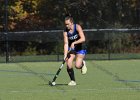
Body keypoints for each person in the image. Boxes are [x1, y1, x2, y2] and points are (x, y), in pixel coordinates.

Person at [63, 16, 87, 86]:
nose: (66, 26)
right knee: (68, 62)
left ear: (72, 23)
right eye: (65, 24)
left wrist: (74, 43)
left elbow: (83, 39)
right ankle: (73, 81)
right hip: (72, 48)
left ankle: (82, 64)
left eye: (68, 24)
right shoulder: (65, 31)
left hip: (80, 47)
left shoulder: (77, 27)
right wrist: (65, 55)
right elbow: (66, 43)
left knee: (77, 66)